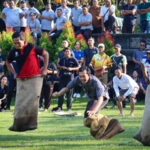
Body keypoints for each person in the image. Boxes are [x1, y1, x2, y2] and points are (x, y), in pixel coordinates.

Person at [52, 66, 125, 140]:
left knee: (90, 117)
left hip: (102, 98)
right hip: (93, 99)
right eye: (80, 76)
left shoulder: (96, 82)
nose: (81, 78)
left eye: (83, 76)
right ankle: (109, 126)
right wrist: (58, 93)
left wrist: (94, 111)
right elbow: (67, 88)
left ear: (89, 75)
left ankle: (109, 124)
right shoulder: (77, 79)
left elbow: (100, 98)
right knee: (86, 121)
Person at [6, 32, 49, 132]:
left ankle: (31, 125)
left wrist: (45, 69)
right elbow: (8, 62)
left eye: (18, 42)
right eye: (14, 43)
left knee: (33, 103)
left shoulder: (32, 47)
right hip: (21, 79)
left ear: (23, 39)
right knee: (19, 103)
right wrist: (14, 73)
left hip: (35, 78)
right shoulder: (14, 51)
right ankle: (17, 125)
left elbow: (45, 54)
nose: (16, 45)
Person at [52, 47, 80, 112]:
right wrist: (62, 67)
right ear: (64, 52)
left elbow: (79, 67)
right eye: (66, 51)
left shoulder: (73, 59)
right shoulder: (62, 59)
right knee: (60, 93)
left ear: (70, 52)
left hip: (70, 79)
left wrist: (72, 69)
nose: (67, 52)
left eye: (68, 51)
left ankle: (69, 107)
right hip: (62, 78)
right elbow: (57, 66)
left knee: (69, 94)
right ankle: (59, 107)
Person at [134, 50, 150, 146]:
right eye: (148, 53)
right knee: (148, 111)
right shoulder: (145, 60)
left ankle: (143, 134)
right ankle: (144, 135)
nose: (149, 55)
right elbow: (143, 67)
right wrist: (145, 76)